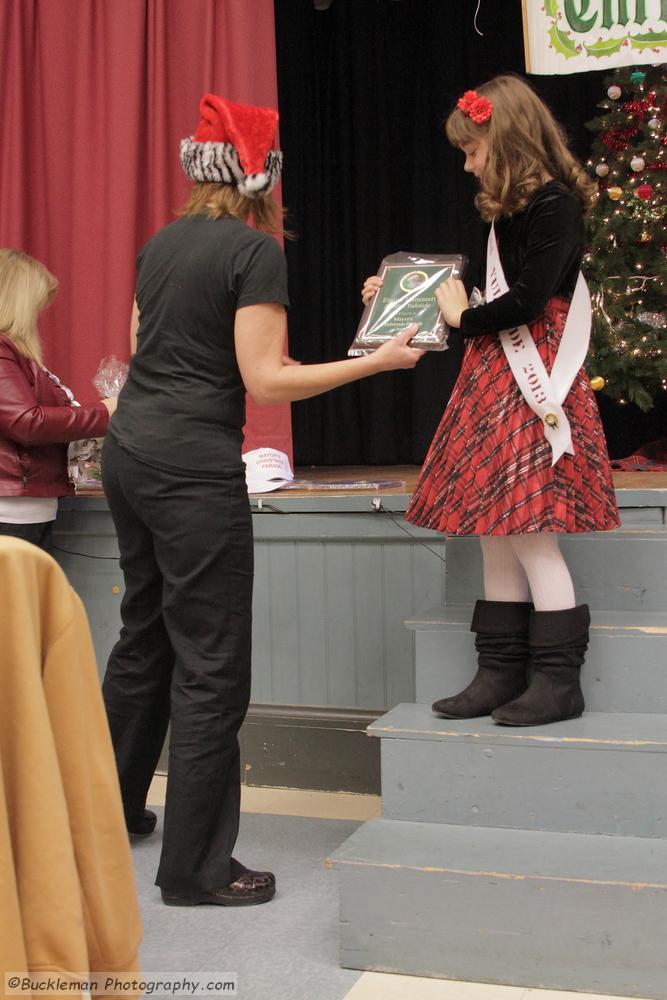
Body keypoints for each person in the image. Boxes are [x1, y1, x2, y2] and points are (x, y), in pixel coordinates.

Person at [101, 92, 424, 908]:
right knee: (210, 667)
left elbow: (144, 352)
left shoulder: (159, 245)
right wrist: (376, 363)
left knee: (144, 637)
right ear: (262, 177)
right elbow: (266, 379)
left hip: (131, 452)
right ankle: (198, 871)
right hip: (189, 469)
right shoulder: (254, 252)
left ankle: (107, 814)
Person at [363, 74, 620, 729]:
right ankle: (499, 672)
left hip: (532, 371)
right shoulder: (508, 211)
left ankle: (558, 683)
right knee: (492, 530)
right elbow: (477, 299)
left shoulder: (554, 204)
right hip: (496, 370)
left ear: (502, 141)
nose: (466, 160)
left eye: (472, 147)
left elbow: (524, 303)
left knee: (531, 532)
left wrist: (454, 311)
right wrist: (402, 297)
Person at [0, 249, 116, 551]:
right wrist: (104, 413)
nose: (38, 316)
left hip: (27, 507)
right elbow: (26, 422)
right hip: (11, 512)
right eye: (36, 306)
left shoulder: (17, 355)